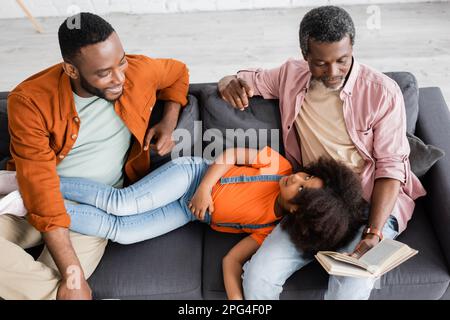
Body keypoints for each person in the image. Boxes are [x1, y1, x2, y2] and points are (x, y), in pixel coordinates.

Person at [217, 6, 426, 299]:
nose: (333, 72)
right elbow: (245, 78)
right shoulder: (290, 75)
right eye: (320, 63)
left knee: (350, 287)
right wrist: (228, 82)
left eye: (342, 60)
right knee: (257, 276)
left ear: (352, 47)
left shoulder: (383, 92)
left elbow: (391, 169)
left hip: (368, 204)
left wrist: (373, 233)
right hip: (313, 202)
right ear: (305, 56)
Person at [0, 147, 368, 300]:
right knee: (122, 204)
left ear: (296, 213)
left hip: (187, 211)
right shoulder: (277, 165)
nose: (297, 181)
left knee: (122, 232)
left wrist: (240, 304)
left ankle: (35, 206)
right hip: (191, 179)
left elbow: (231, 263)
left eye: (301, 192)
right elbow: (227, 155)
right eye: (306, 177)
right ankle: (32, 186)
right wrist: (206, 188)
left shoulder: (269, 228)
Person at [0, 12, 189, 300]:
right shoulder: (29, 101)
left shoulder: (137, 72)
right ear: (72, 70)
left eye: (121, 62)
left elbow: (177, 73)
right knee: (63, 292)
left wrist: (169, 122)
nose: (120, 78)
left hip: (93, 212)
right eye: (104, 73)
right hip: (31, 202)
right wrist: (72, 276)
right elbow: (39, 188)